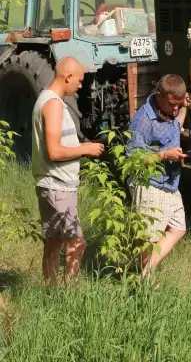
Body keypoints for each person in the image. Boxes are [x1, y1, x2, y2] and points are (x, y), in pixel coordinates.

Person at [32, 56, 104, 284]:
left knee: (54, 242)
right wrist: (86, 150)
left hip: (51, 184)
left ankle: (50, 289)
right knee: (77, 243)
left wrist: (81, 145)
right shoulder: (52, 104)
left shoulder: (47, 100)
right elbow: (54, 152)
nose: (80, 85)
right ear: (68, 76)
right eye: (80, 81)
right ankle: (69, 292)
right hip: (57, 185)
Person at [127, 74, 188, 278]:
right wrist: (164, 155)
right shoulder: (143, 120)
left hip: (170, 184)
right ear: (159, 95)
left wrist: (184, 108)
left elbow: (176, 124)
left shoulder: (171, 112)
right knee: (148, 239)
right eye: (172, 104)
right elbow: (132, 157)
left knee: (178, 228)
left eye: (178, 105)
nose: (174, 110)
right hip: (149, 184)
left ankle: (146, 272)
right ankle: (146, 282)